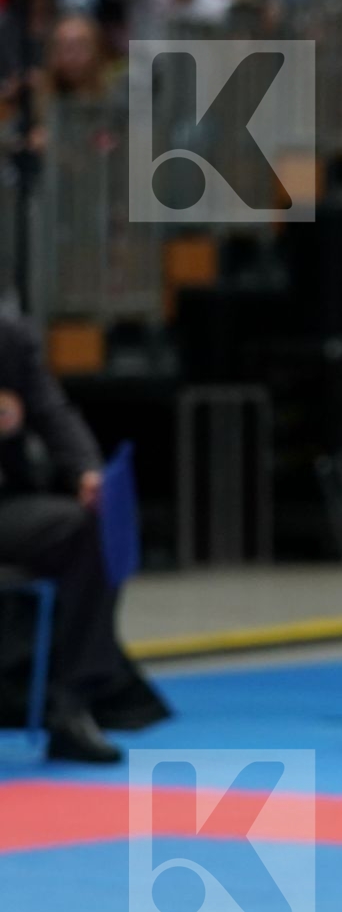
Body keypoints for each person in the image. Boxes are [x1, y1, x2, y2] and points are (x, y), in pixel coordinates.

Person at [0, 314, 172, 761]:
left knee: (89, 526)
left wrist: (86, 472)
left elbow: (54, 413)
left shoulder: (11, 337)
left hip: (8, 506)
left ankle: (70, 707)